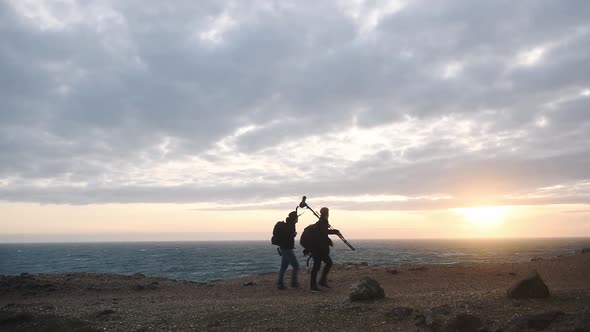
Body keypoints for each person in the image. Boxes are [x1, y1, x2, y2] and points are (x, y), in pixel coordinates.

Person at [310, 207, 341, 292]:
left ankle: (321, 281)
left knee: (325, 263)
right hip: (319, 248)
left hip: (318, 247)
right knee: (318, 265)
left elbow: (323, 232)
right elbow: (324, 233)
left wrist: (334, 232)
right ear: (327, 213)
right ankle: (314, 286)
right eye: (328, 212)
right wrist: (334, 232)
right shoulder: (323, 221)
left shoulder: (321, 221)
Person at [277, 211, 300, 290]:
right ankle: (294, 283)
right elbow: (289, 237)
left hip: (283, 248)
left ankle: (280, 284)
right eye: (297, 217)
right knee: (296, 266)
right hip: (287, 249)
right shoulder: (290, 226)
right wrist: (294, 234)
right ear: (294, 218)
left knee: (283, 267)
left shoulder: (288, 225)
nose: (298, 219)